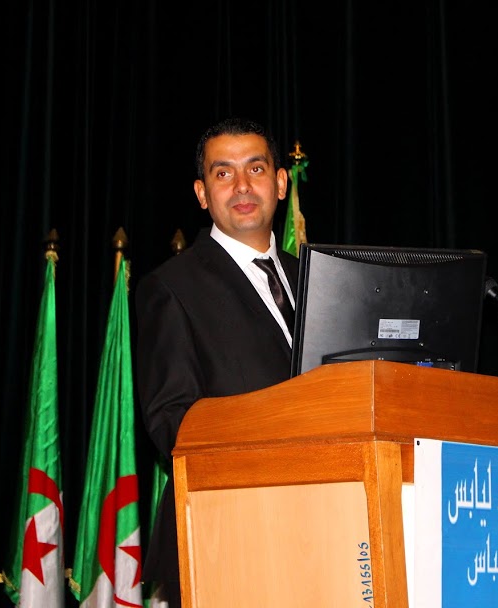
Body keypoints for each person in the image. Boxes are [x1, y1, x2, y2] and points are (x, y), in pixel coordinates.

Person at [135, 117, 298, 607]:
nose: (242, 186)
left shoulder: (318, 276)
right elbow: (172, 421)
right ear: (202, 194)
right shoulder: (171, 288)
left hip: (327, 524)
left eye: (256, 168)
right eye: (223, 173)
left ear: (281, 183)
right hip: (224, 533)